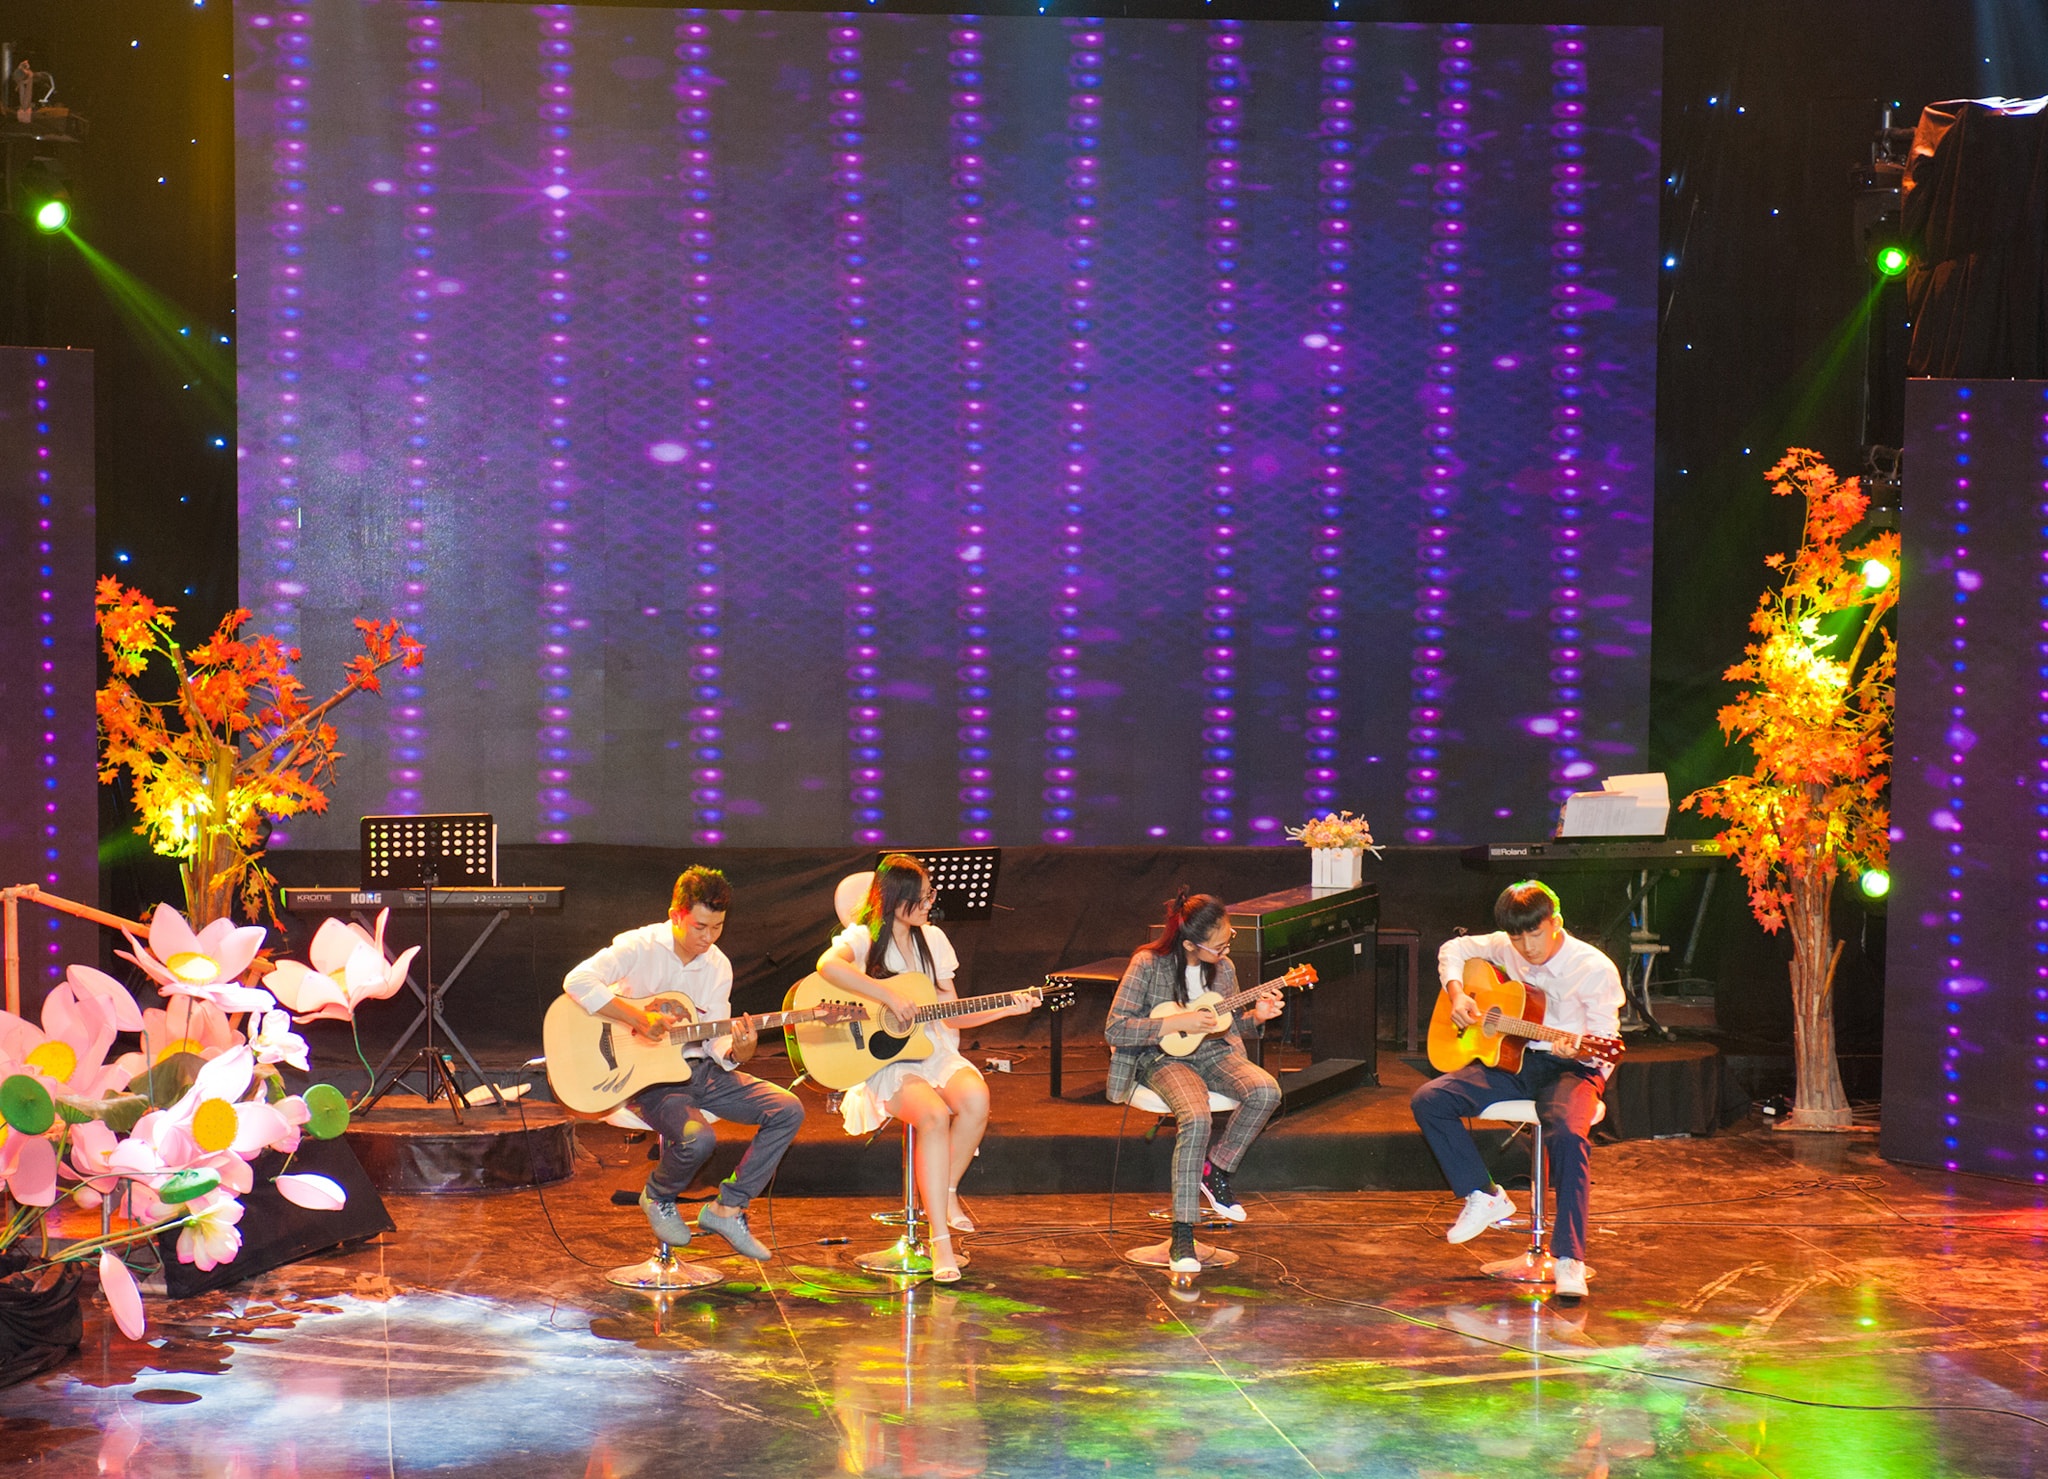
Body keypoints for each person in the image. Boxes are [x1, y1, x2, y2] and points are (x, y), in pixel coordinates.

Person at [562, 865, 803, 1261]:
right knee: (699, 1138)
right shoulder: (639, 946)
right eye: (700, 927)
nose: (708, 938)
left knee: (787, 1108)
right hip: (647, 1079)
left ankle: (728, 1208)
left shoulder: (717, 965)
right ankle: (658, 1196)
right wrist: (639, 1018)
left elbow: (717, 1040)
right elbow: (577, 981)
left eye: (718, 927)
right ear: (676, 915)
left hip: (698, 1070)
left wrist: (740, 1050)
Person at [816, 854, 1033, 1282]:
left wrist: (1007, 1009)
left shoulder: (933, 940)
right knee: (933, 1115)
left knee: (976, 1098)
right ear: (894, 900)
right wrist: (888, 995)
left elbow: (952, 1013)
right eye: (922, 897)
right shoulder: (863, 937)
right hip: (884, 1059)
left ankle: (947, 1190)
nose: (930, 904)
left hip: (932, 1049)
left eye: (930, 895)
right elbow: (828, 966)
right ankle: (939, 1240)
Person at [1410, 880, 1622, 1299]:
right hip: (1517, 1059)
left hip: (1576, 1067)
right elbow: (1453, 949)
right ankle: (1484, 1193)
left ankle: (1569, 1257)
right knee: (1430, 1099)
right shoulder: (1506, 946)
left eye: (1535, 934)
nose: (1526, 947)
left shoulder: (1593, 968)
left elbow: (1606, 1044)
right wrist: (1457, 994)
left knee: (1568, 1132)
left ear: (1555, 923)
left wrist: (1579, 1051)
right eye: (1516, 937)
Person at [1104, 889, 1284, 1275]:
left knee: (1266, 1090)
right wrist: (1175, 1023)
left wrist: (1258, 1016)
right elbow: (1116, 1029)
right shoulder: (1147, 964)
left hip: (1214, 1052)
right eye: (1219, 945)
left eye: (1228, 940)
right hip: (1162, 1057)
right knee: (1197, 1118)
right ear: (1189, 944)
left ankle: (1216, 1169)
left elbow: (1227, 1025)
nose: (1225, 950)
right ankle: (1183, 1232)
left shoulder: (1224, 969)